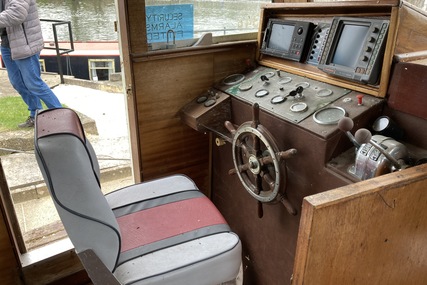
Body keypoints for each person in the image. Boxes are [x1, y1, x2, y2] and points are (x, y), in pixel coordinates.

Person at [0, 0, 62, 128]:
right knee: (18, 83)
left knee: (33, 83)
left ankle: (62, 118)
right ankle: (35, 114)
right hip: (7, 44)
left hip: (25, 45)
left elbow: (17, 14)